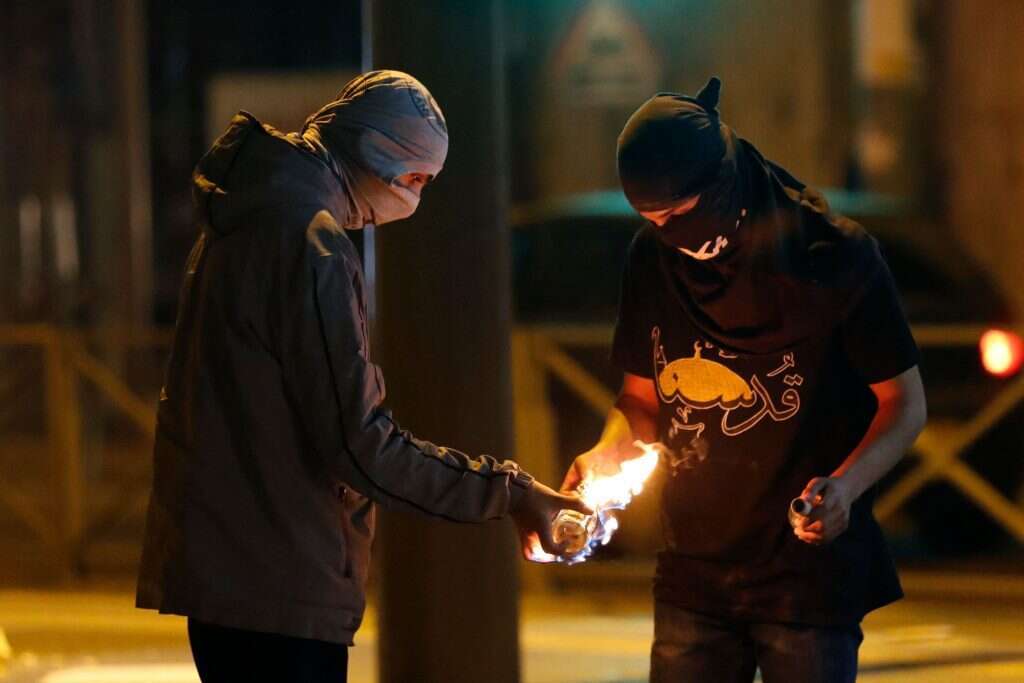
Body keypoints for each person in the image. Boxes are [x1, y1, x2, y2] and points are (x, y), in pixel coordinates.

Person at [136, 70, 587, 683]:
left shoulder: (239, 222)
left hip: (226, 576)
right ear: (379, 153)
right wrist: (511, 493)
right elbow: (360, 443)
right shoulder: (309, 245)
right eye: (416, 179)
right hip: (281, 584)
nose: (414, 201)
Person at [558, 78, 927, 683]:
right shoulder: (650, 259)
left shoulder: (830, 253)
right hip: (693, 571)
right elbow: (639, 399)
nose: (668, 233)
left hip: (806, 579)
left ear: (720, 183)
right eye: (651, 219)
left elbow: (904, 404)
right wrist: (606, 450)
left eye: (678, 214)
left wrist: (844, 488)